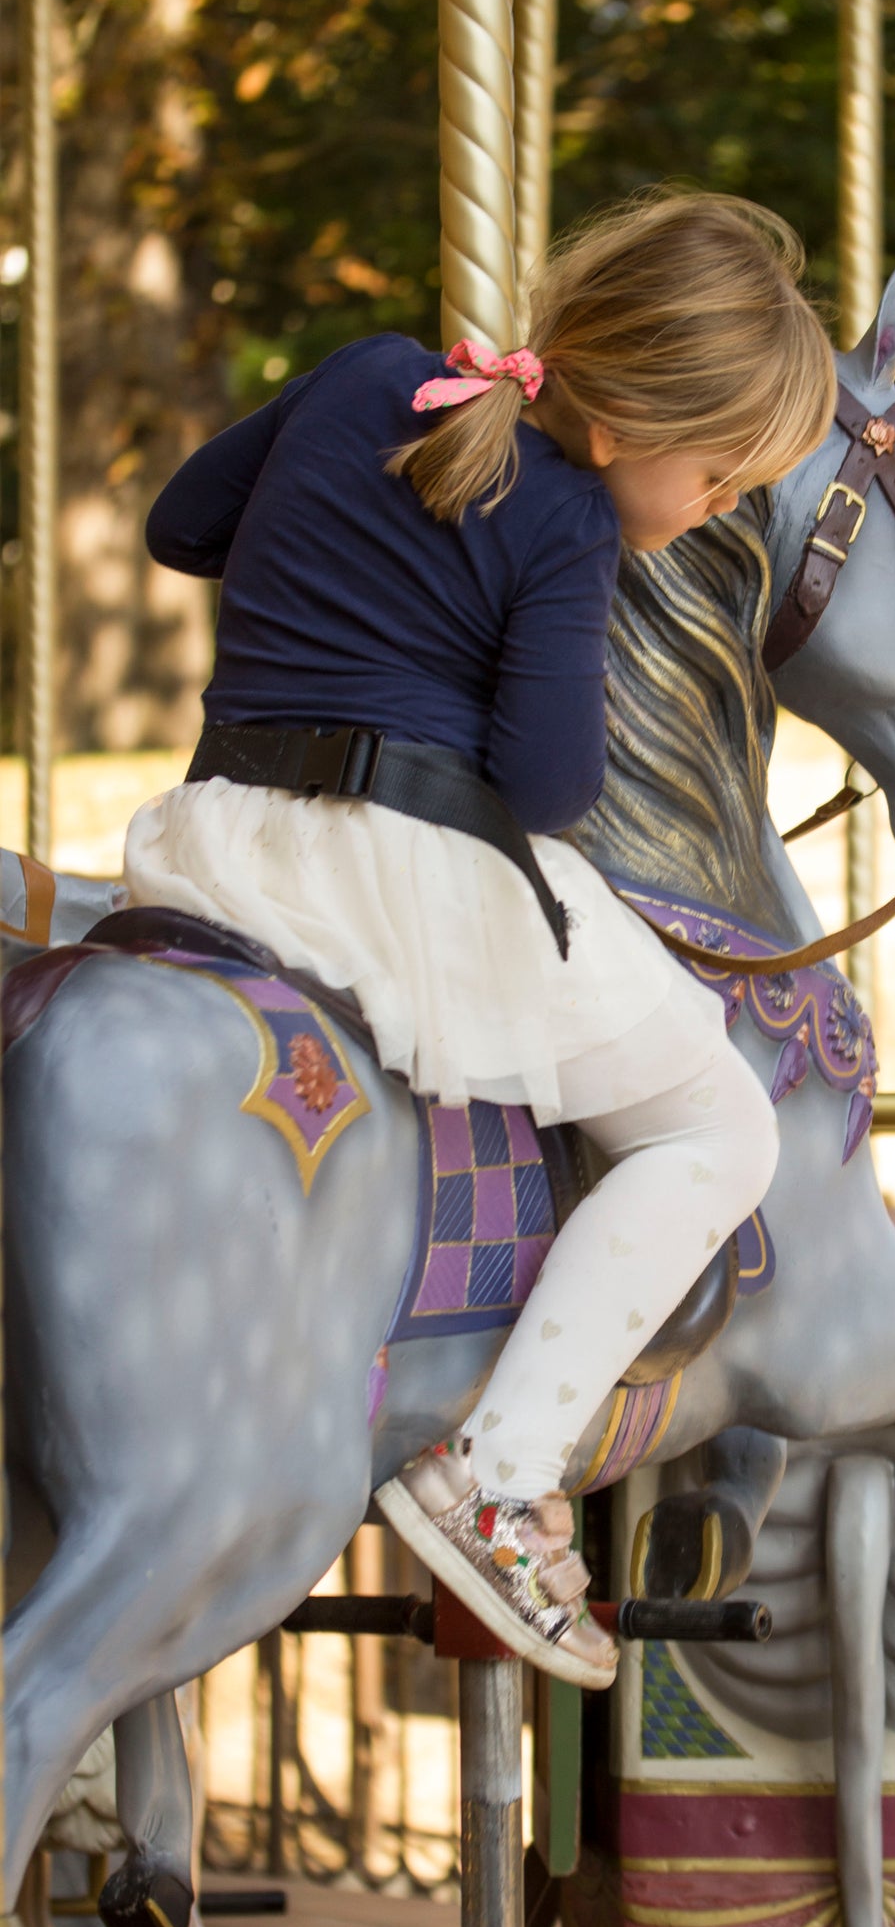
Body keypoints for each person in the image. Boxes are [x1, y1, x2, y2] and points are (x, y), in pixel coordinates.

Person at [124, 191, 836, 1690]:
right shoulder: (572, 519)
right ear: (638, 412)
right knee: (716, 1127)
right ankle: (501, 1480)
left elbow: (181, 522)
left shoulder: (368, 373)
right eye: (715, 475)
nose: (712, 508)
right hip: (399, 871)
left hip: (221, 831)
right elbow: (551, 785)